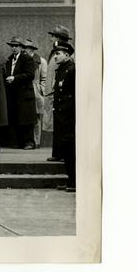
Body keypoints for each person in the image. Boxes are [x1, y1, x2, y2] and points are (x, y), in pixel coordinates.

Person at [44, 24, 73, 162]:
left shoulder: (64, 54)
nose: (51, 38)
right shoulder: (56, 51)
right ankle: (57, 153)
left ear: (59, 38)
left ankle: (61, 154)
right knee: (56, 125)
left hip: (60, 94)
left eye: (53, 36)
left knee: (62, 127)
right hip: (53, 93)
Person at [3, 37, 38, 149]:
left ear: (21, 47)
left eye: (16, 46)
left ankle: (29, 142)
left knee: (26, 119)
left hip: (24, 93)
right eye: (12, 46)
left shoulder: (26, 58)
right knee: (16, 117)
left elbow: (30, 75)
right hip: (13, 93)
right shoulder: (9, 60)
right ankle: (19, 142)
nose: (13, 48)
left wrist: (15, 78)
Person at [52, 42, 76, 192]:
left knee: (70, 150)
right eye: (55, 54)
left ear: (67, 55)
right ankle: (70, 181)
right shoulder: (61, 70)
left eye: (58, 54)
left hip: (68, 117)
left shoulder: (71, 70)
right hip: (61, 116)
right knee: (65, 151)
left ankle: (74, 182)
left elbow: (73, 96)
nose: (55, 56)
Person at [24, 39, 48, 147]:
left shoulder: (41, 61)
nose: (24, 50)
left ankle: (36, 141)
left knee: (36, 117)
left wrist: (41, 90)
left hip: (35, 89)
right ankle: (27, 141)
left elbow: (45, 78)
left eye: (26, 48)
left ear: (32, 49)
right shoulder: (22, 60)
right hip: (25, 89)